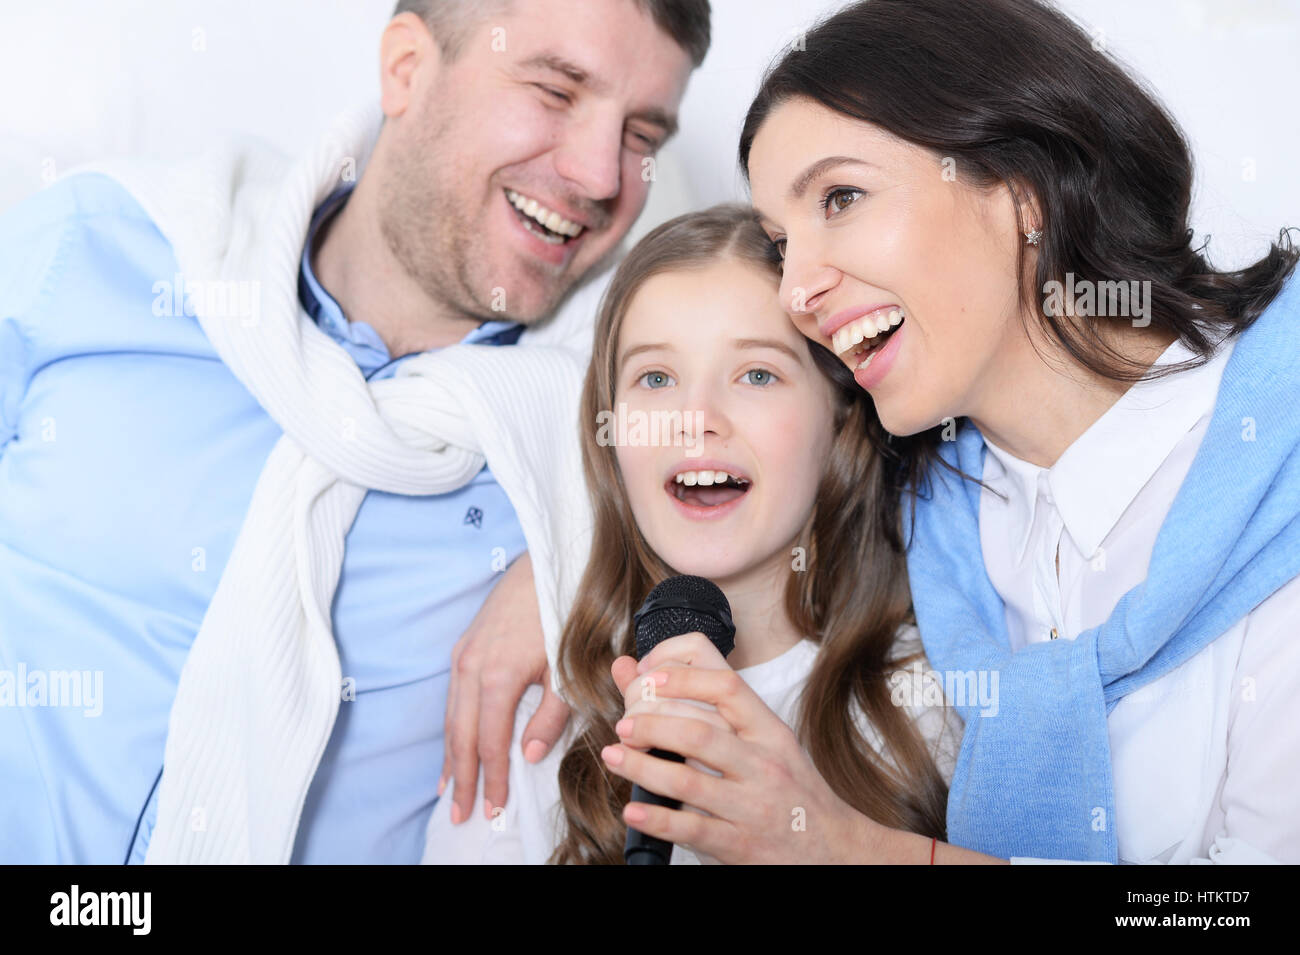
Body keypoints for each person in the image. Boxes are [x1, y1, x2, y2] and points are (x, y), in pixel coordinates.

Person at [0, 0, 709, 863]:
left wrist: (599, 556)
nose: (603, 176)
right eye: (557, 92)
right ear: (407, 69)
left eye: (642, 136)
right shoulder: (92, 252)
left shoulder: (602, 449)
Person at [737, 0, 1300, 862]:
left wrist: (860, 855)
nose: (795, 290)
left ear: (1024, 190)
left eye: (841, 197)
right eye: (780, 244)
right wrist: (547, 564)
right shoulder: (934, 516)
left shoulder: (1281, 482)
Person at [423, 204, 962, 863]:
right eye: (656, 377)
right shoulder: (541, 714)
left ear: (839, 420)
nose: (695, 419)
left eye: (757, 374)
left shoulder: (932, 704)